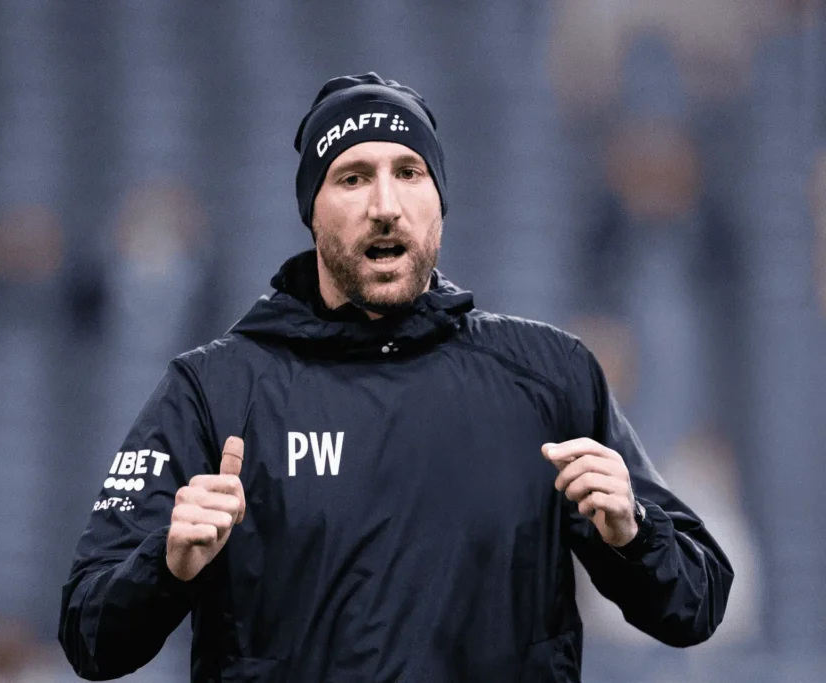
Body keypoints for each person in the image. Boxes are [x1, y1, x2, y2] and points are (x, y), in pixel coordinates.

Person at [58, 73, 733, 682]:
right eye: (352, 177)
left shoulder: (551, 376)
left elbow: (696, 603)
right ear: (312, 211)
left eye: (409, 172)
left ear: (439, 203)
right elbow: (90, 635)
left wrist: (633, 532)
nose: (385, 204)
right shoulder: (216, 390)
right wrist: (167, 564)